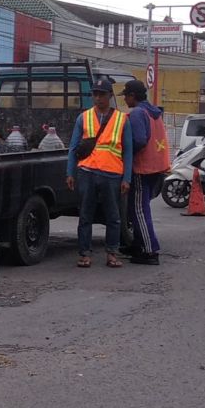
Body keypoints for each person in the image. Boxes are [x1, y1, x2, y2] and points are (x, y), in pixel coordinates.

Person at [66, 78, 132, 268]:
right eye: (95, 94)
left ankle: (112, 253)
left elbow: (128, 151)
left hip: (112, 174)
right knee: (85, 215)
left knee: (113, 216)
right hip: (87, 172)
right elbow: (73, 147)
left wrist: (126, 178)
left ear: (110, 96)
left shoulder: (122, 119)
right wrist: (70, 172)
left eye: (102, 94)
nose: (98, 98)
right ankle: (84, 254)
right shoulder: (83, 118)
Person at [120, 80, 170, 265]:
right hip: (158, 166)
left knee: (139, 210)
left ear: (132, 96)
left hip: (143, 167)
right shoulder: (154, 112)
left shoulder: (137, 113)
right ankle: (139, 244)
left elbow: (139, 140)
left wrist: (124, 152)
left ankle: (149, 251)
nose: (125, 99)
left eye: (126, 95)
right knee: (139, 209)